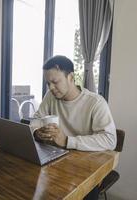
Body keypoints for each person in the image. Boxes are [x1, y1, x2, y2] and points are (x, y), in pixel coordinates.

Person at [31, 55, 117, 200]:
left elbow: (110, 140)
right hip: (55, 163)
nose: (51, 88)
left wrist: (67, 141)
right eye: (48, 83)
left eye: (55, 82)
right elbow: (36, 119)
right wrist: (36, 132)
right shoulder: (51, 96)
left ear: (70, 77)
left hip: (85, 169)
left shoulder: (95, 102)